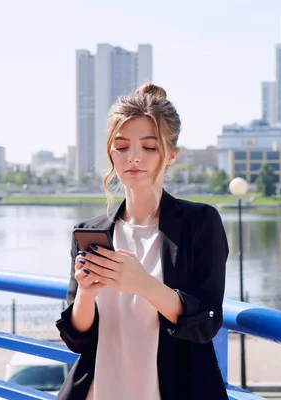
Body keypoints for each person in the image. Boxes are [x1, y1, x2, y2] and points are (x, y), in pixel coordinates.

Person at [55, 83, 229, 399]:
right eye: (121, 147)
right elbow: (78, 340)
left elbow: (206, 322)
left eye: (148, 147)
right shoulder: (89, 232)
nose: (133, 157)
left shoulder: (200, 223)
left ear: (171, 154)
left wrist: (142, 284)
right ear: (110, 152)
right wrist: (86, 294)